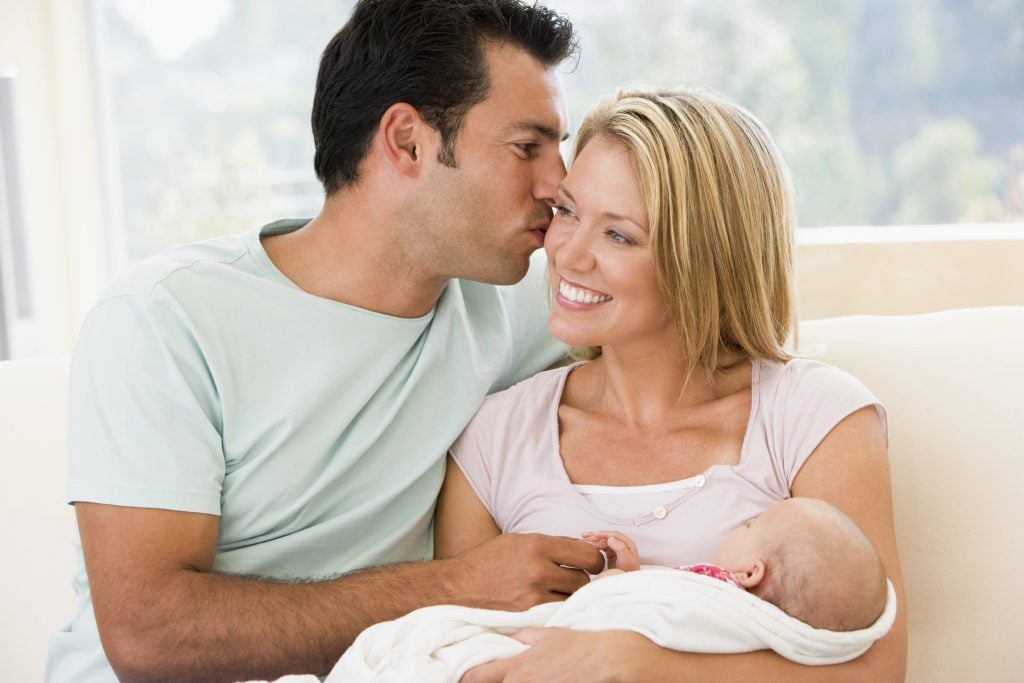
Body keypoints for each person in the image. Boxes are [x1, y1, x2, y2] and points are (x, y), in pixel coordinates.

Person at [44, 2, 612, 682]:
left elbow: (692, 357)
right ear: (406, 142)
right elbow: (150, 634)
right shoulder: (165, 319)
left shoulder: (515, 304)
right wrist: (452, 585)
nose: (559, 184)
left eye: (560, 148)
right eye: (528, 147)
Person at [436, 87, 908, 681]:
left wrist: (644, 665)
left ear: (704, 260)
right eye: (568, 211)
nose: (568, 254)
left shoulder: (814, 417)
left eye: (620, 235)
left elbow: (876, 668)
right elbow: (447, 644)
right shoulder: (494, 437)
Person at [585, 497, 890, 632]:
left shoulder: (718, 592)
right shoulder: (728, 609)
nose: (744, 523)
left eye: (750, 525)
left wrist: (616, 580)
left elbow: (640, 618)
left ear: (750, 573)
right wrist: (634, 574)